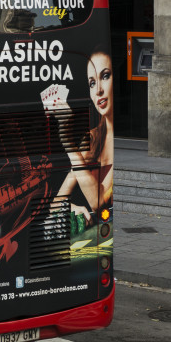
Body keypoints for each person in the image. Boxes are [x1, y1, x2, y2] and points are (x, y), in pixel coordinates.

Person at [51, 48, 115, 225]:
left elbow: (99, 202)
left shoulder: (121, 143)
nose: (98, 91)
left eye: (105, 76)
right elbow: (56, 205)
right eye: (92, 83)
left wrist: (69, 144)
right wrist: (72, 208)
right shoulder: (93, 138)